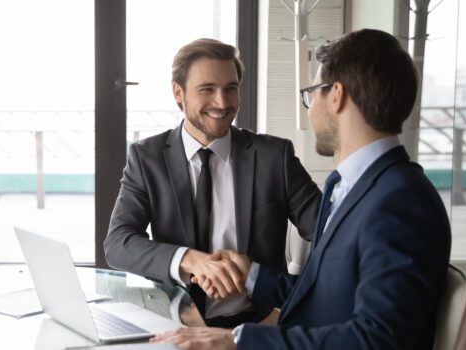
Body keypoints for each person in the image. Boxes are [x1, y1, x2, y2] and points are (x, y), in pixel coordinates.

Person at [151, 29, 452, 349]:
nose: (309, 109)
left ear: (336, 95)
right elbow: (326, 297)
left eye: (311, 93)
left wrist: (238, 340)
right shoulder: (355, 188)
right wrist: (251, 276)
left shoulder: (400, 202)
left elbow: (378, 340)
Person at [103, 38, 321, 327]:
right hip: (178, 325)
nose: (222, 102)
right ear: (178, 93)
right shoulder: (147, 158)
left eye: (231, 89)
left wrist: (292, 308)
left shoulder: (274, 157)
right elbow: (118, 243)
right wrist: (189, 259)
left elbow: (332, 232)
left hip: (257, 326)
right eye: (207, 89)